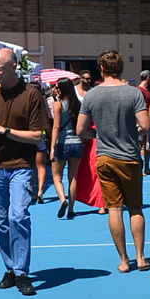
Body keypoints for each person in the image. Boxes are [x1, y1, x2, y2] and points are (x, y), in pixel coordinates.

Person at [0, 48, 49, 296]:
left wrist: (4, 130)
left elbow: (38, 135)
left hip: (21, 166)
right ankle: (11, 269)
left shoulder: (31, 95)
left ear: (14, 67)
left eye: (0, 68)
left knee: (18, 216)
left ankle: (22, 271)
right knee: (1, 222)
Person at [77, 50, 150, 273]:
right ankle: (140, 257)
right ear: (121, 69)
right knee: (136, 208)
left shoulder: (92, 95)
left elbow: (81, 129)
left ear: (101, 69)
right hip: (129, 157)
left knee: (114, 209)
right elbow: (146, 125)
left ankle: (124, 260)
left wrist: (98, 135)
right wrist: (133, 132)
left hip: (105, 157)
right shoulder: (133, 93)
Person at [50, 77, 84, 219]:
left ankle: (63, 200)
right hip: (77, 143)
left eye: (58, 88)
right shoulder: (78, 104)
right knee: (73, 177)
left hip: (62, 143)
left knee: (57, 177)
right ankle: (71, 208)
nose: (56, 90)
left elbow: (56, 127)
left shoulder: (58, 105)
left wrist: (52, 147)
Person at [137, 69, 150, 175]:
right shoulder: (140, 91)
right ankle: (139, 168)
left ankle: (147, 167)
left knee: (147, 145)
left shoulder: (146, 91)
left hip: (147, 121)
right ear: (148, 78)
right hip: (141, 121)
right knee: (139, 145)